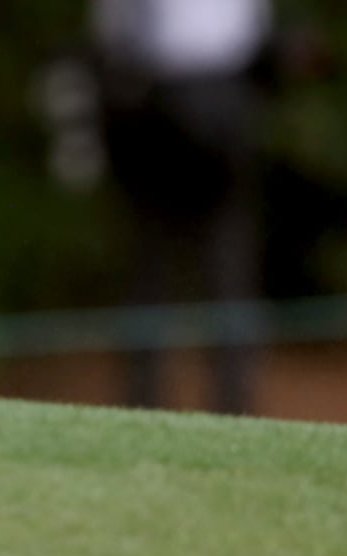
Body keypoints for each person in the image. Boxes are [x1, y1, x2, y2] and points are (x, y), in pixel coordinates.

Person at [90, 0, 274, 414]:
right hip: (176, 99)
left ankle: (214, 404)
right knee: (169, 265)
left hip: (197, 97)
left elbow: (113, 29)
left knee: (200, 264)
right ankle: (210, 405)